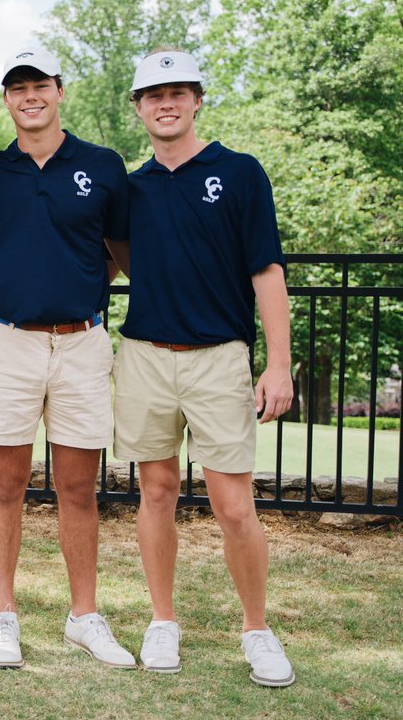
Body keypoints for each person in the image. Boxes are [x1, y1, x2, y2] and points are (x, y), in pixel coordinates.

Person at [110, 49, 295, 687]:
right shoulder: (128, 186)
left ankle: (256, 629)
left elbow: (266, 270)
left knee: (233, 505)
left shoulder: (240, 173)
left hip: (220, 358)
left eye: (179, 92)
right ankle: (163, 621)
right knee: (155, 491)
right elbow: (122, 259)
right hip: (145, 356)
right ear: (138, 107)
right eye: (154, 94)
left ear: (196, 100)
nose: (167, 103)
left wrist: (279, 364)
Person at [0, 47, 133, 670]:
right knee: (4, 484)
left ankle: (84, 616)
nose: (29, 96)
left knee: (77, 488)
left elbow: (119, 250)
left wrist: (79, 290)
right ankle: (4, 614)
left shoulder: (102, 164)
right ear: (6, 100)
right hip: (10, 341)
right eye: (17, 88)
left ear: (59, 91)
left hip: (84, 342)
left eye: (39, 85)